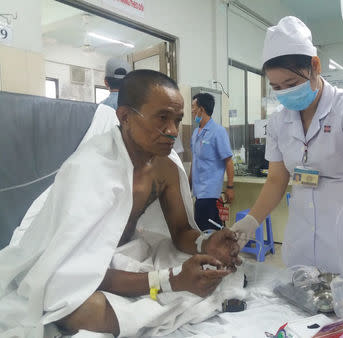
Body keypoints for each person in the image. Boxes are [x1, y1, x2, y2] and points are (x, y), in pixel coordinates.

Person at [0, 70, 242, 337]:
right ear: (125, 117)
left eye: (178, 120)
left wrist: (206, 243)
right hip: (76, 267)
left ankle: (153, 301)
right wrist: (170, 280)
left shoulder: (166, 168)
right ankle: (161, 298)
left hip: (125, 256)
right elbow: (78, 270)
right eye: (162, 118)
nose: (173, 131)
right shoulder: (90, 168)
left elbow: (181, 231)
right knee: (79, 309)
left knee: (215, 270)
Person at [231, 16, 343, 284]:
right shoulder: (278, 122)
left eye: (291, 83)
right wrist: (251, 221)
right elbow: (276, 179)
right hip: (304, 253)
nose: (285, 92)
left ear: (315, 66)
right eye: (276, 88)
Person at [190, 93, 235, 231]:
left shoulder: (218, 132)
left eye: (193, 107)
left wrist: (230, 187)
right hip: (198, 192)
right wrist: (189, 182)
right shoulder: (196, 132)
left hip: (211, 193)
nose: (191, 111)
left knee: (210, 233)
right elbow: (195, 159)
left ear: (201, 110)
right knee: (201, 232)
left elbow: (228, 161)